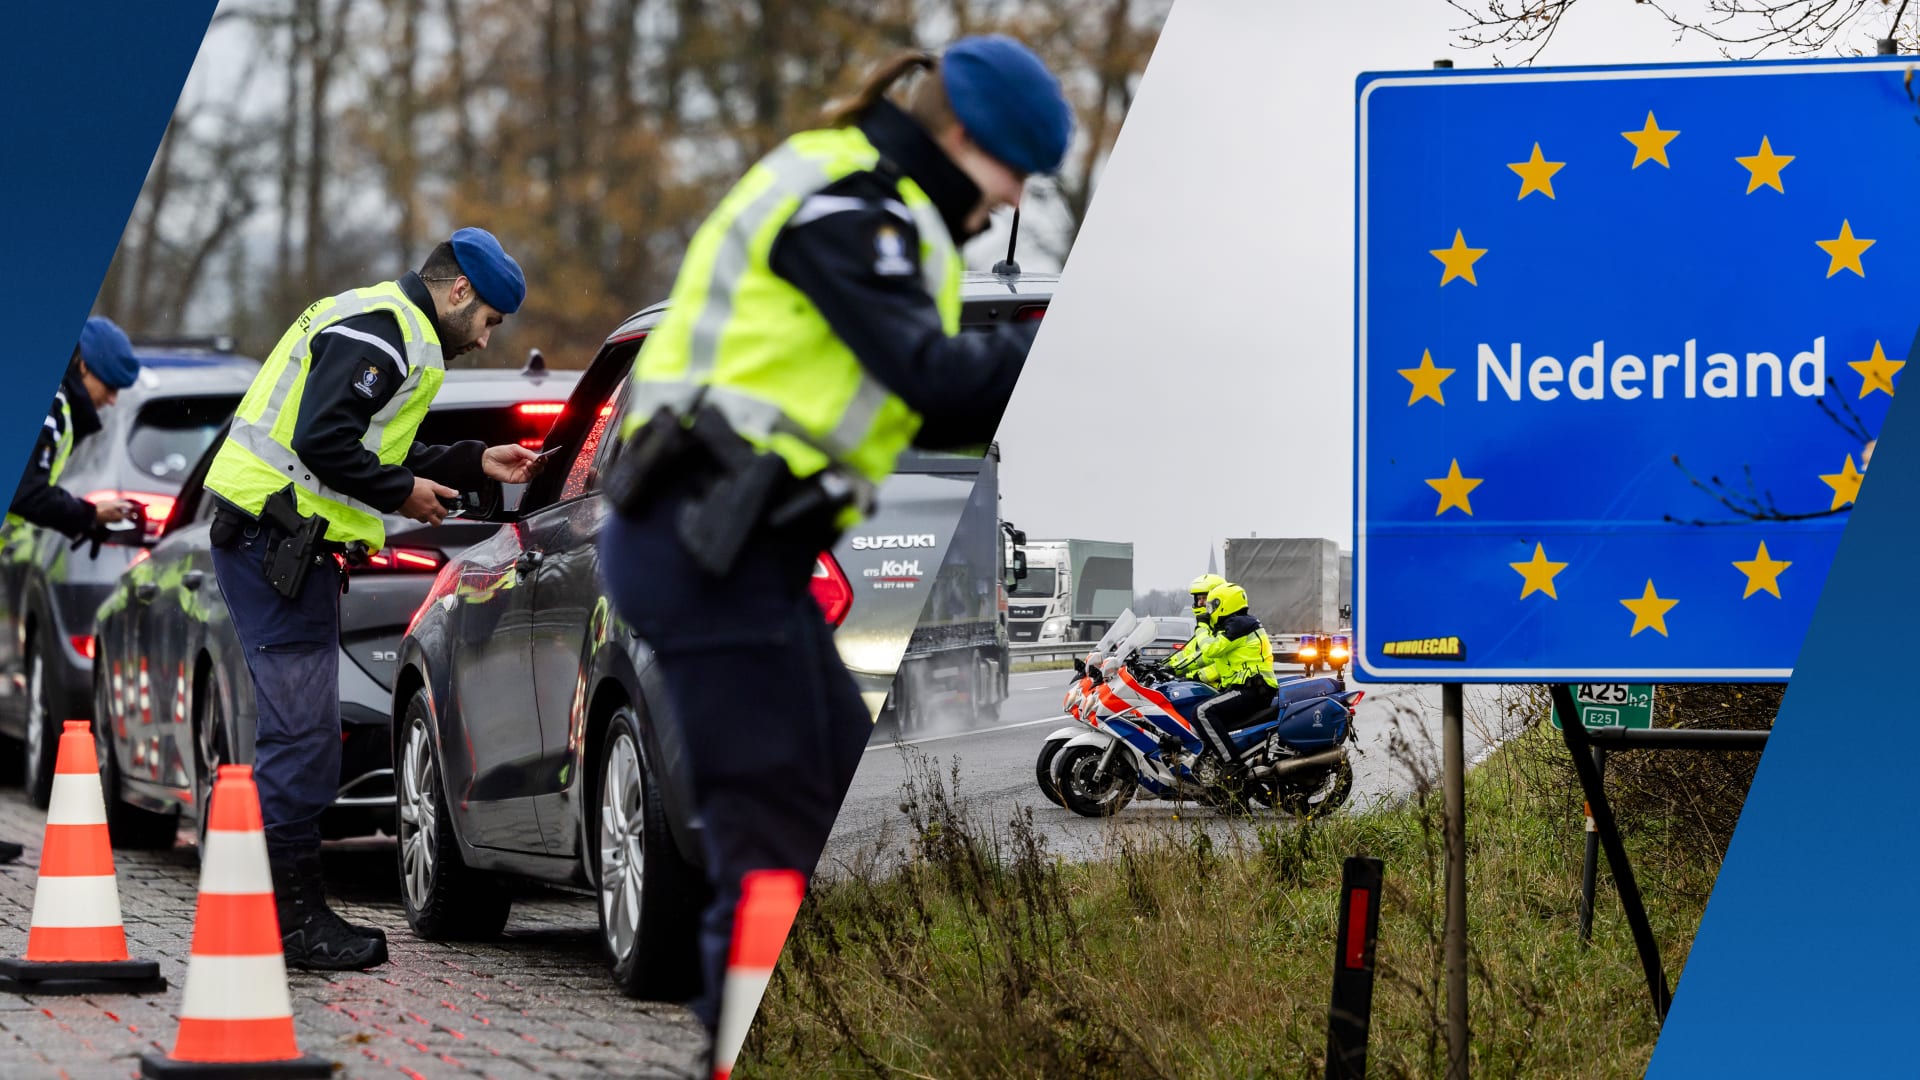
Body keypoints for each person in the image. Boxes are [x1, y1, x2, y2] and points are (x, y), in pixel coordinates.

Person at [596, 36, 1073, 1045]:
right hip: (702, 540)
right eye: (1010, 177)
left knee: (815, 802)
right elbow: (929, 373)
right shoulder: (847, 203)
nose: (1001, 207)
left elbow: (922, 398)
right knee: (772, 836)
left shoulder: (885, 211)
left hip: (738, 549)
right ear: (960, 137)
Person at [201, 229, 541, 970]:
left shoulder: (388, 326)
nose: (485, 341)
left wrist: (473, 462)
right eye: (488, 321)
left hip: (280, 543)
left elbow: (377, 447)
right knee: (301, 741)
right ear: (459, 292)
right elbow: (326, 438)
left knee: (301, 739)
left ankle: (269, 918)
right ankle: (291, 927)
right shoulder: (385, 334)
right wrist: (401, 493)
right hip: (275, 542)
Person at [0, 317, 144, 865]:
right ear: (83, 367)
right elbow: (27, 491)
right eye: (108, 386)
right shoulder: (54, 406)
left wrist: (88, 517)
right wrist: (85, 514)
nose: (110, 402)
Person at [1190, 582, 1280, 781]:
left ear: (1225, 604)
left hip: (1253, 690)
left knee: (1202, 712)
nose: (1209, 610)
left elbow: (1211, 649)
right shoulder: (1236, 626)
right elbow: (1213, 660)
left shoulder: (1240, 625)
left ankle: (1232, 765)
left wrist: (1202, 626)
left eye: (1212, 605)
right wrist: (1186, 673)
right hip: (1250, 689)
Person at [1167, 572, 1225, 683]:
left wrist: (1193, 677)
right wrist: (1164, 665)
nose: (1200, 602)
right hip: (1202, 687)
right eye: (1198, 598)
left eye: (1205, 598)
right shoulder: (1205, 629)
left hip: (1217, 688)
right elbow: (1186, 655)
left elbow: (1220, 664)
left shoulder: (1225, 628)